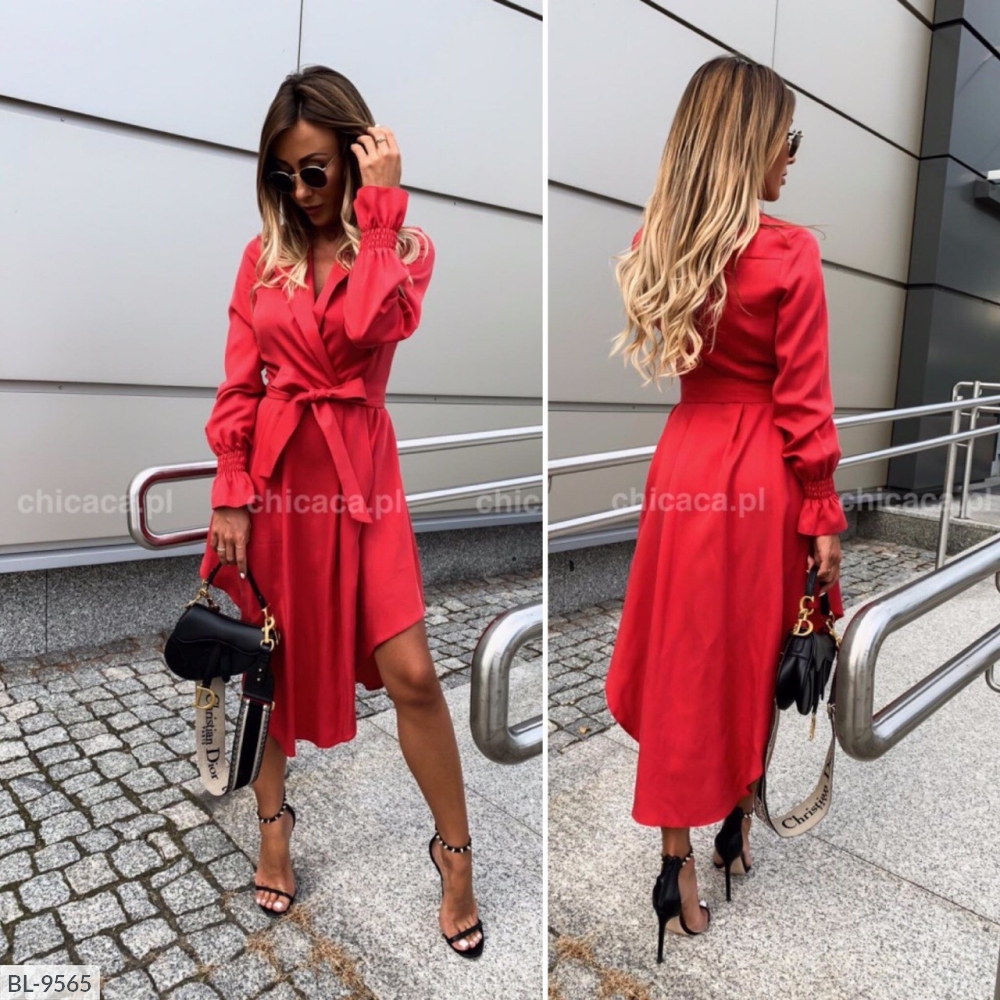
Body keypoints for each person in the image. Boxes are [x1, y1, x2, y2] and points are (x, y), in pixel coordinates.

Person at [200, 65, 483, 958]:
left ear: (357, 159)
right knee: (265, 667)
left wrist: (382, 211)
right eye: (282, 174)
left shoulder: (404, 246)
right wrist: (231, 490)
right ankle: (273, 828)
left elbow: (368, 329)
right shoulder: (261, 259)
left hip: (362, 480)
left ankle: (455, 854)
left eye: (316, 169)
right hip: (277, 481)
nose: (299, 190)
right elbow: (239, 384)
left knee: (413, 673)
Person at [603, 55, 848, 962]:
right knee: (759, 649)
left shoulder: (661, 245)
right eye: (787, 138)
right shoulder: (789, 252)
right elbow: (806, 401)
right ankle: (737, 824)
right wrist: (823, 510)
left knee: (681, 660)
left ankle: (678, 867)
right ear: (751, 145)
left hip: (686, 464)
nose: (793, 156)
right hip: (762, 478)